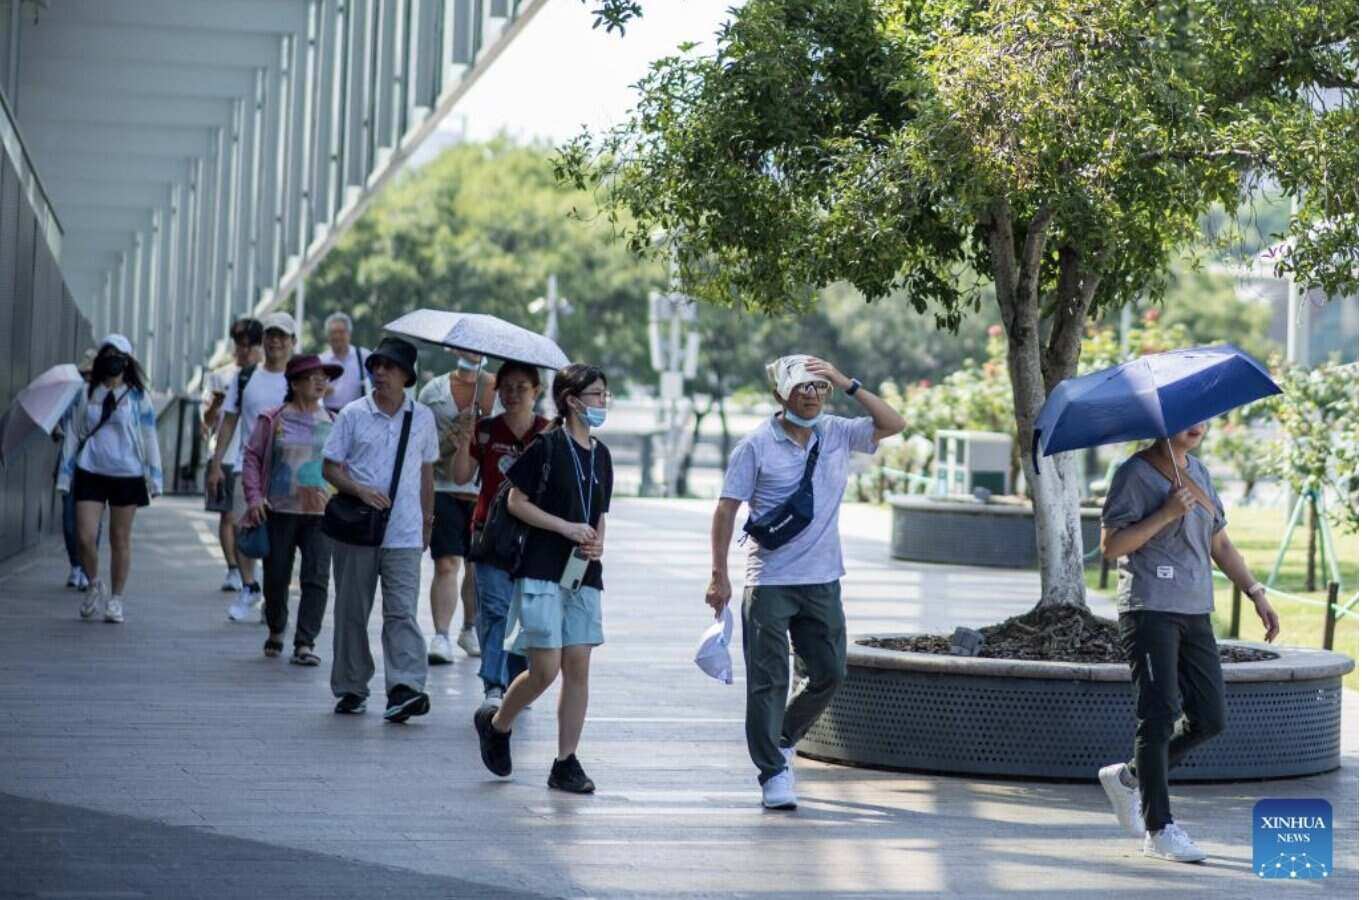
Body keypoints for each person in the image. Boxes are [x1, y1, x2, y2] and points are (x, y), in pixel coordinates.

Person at [705, 355, 904, 810]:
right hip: (770, 580)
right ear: (781, 395)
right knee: (768, 680)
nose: (812, 395)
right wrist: (719, 575)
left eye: (819, 388)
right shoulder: (755, 445)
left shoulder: (836, 432)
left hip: (822, 579)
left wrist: (845, 380)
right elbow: (726, 510)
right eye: (802, 387)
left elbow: (894, 422)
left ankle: (782, 737)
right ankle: (773, 773)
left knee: (831, 671)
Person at [1097, 426, 1280, 863]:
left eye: (1204, 418)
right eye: (1187, 418)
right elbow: (1110, 546)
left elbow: (1219, 541)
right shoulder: (1133, 474)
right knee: (1158, 715)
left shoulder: (1198, 471)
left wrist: (1255, 592)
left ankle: (1129, 778)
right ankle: (1159, 828)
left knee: (1209, 717)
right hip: (1150, 608)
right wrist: (1163, 514)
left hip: (1196, 610)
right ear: (1162, 424)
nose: (1198, 426)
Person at [473, 364, 614, 794]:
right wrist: (565, 528)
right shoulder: (546, 447)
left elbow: (600, 511)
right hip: (540, 570)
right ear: (572, 400)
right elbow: (516, 502)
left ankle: (566, 762)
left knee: (578, 668)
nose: (603, 403)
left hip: (582, 573)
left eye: (605, 395)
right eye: (596, 395)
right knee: (545, 669)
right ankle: (497, 724)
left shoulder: (601, 453)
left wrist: (597, 543)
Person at [322, 336, 438, 722]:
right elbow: (330, 467)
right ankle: (352, 687)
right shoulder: (353, 414)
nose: (380, 372)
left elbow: (426, 475)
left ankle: (405, 687)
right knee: (352, 611)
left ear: (407, 375)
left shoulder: (422, 418)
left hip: (405, 533)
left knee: (402, 612)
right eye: (376, 365)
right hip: (358, 529)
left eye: (389, 366)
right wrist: (359, 490)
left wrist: (427, 523)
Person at [449, 361, 548, 707]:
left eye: (522, 387)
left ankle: (519, 681)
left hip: (535, 536)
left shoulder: (548, 433)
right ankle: (494, 684)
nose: (513, 394)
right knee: (495, 608)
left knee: (525, 613)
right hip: (489, 533)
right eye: (506, 387)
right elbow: (461, 476)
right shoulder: (485, 430)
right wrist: (464, 441)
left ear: (536, 392)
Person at [240, 355, 343, 665]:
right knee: (276, 575)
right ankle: (275, 628)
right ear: (295, 383)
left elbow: (344, 464)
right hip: (278, 511)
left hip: (322, 514)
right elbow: (252, 458)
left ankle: (305, 642)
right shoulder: (273, 419)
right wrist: (255, 497)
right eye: (312, 376)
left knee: (316, 578)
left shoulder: (336, 422)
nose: (320, 381)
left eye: (324, 376)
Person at [56, 334, 164, 624]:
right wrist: (65, 477)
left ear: (127, 361)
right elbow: (73, 435)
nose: (112, 359)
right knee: (84, 536)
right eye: (108, 354)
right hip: (90, 470)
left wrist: (155, 477)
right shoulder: (86, 392)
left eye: (118, 355)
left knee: (120, 539)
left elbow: (149, 436)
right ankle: (93, 584)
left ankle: (116, 599)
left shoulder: (138, 397)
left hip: (127, 474)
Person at [207, 311, 296, 622]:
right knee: (243, 525)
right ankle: (249, 585)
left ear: (292, 343)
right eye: (271, 335)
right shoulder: (245, 378)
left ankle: (274, 597)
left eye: (282, 337)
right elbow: (229, 421)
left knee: (280, 538)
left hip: (287, 473)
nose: (275, 342)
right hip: (249, 467)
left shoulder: (297, 380)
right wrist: (216, 464)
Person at [418, 351, 498, 663]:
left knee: (476, 567)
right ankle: (440, 635)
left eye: (478, 349)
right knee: (446, 562)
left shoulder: (498, 390)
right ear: (452, 350)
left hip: (483, 490)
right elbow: (420, 443)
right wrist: (451, 437)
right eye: (465, 347)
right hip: (444, 487)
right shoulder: (433, 392)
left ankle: (470, 628)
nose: (471, 354)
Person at [202, 317, 263, 594]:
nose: (244, 352)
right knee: (229, 517)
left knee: (249, 519)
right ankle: (233, 569)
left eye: (249, 346)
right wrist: (215, 403)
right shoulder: (222, 376)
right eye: (240, 346)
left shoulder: (267, 377)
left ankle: (248, 571)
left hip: (257, 458)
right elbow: (208, 421)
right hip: (228, 456)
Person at [56, 349, 101, 591]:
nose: (90, 378)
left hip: (96, 466)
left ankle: (88, 569)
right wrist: (57, 430)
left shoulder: (105, 398)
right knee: (69, 519)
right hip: (69, 463)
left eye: (94, 374)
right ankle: (76, 565)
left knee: (93, 522)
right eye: (87, 374)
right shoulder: (70, 397)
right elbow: (58, 424)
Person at [318, 311, 371, 414]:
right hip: (330, 415)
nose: (337, 336)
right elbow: (310, 391)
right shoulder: (321, 360)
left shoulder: (363, 356)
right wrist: (321, 390)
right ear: (328, 336)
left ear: (349, 334)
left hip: (358, 414)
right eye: (333, 332)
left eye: (341, 332)